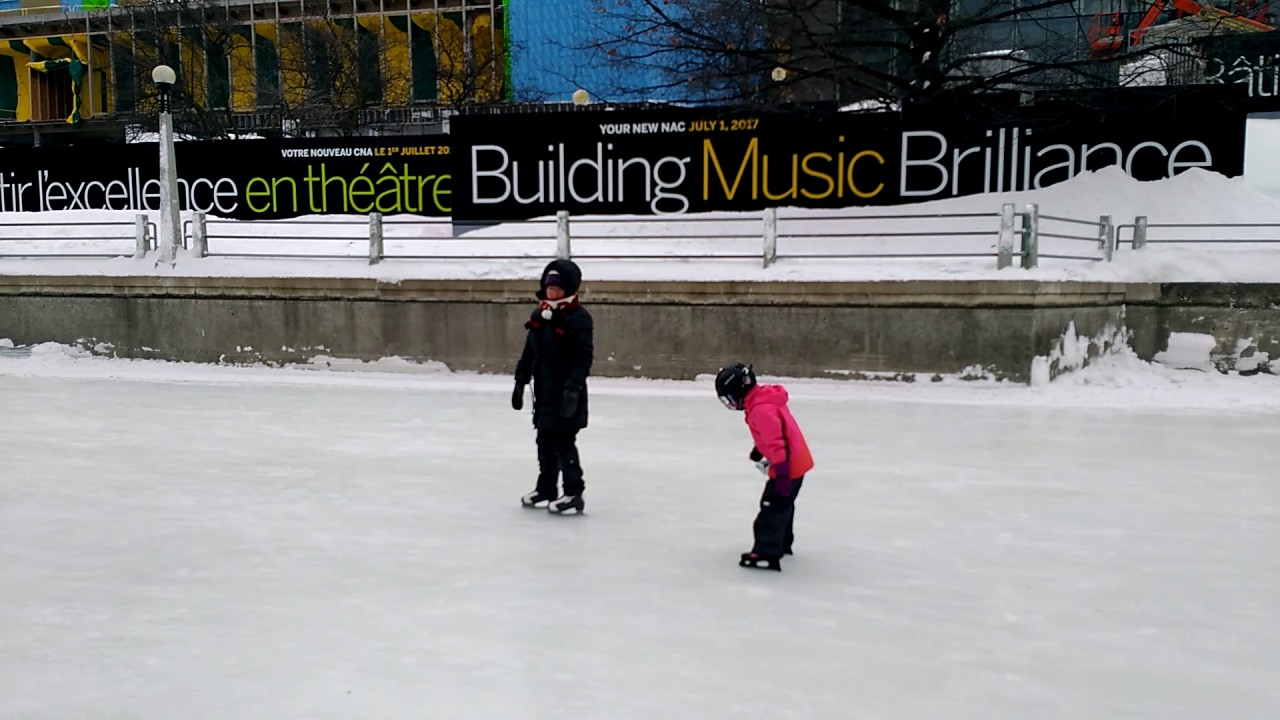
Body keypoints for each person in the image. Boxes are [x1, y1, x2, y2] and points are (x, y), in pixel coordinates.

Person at [512, 259, 594, 515]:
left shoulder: (578, 318)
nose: (552, 292)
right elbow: (529, 352)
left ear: (568, 289)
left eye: (558, 288)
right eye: (549, 287)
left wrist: (573, 387)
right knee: (544, 441)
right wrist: (520, 380)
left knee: (563, 442)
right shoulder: (541, 315)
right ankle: (546, 488)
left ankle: (573, 493)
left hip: (566, 394)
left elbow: (584, 357)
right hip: (544, 392)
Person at [715, 363, 814, 571]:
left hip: (786, 465)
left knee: (771, 507)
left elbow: (777, 442)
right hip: (796, 461)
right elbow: (772, 433)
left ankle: (766, 552)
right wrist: (759, 449)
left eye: (729, 399)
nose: (731, 404)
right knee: (784, 505)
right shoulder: (762, 399)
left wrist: (782, 474)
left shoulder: (760, 409)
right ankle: (783, 543)